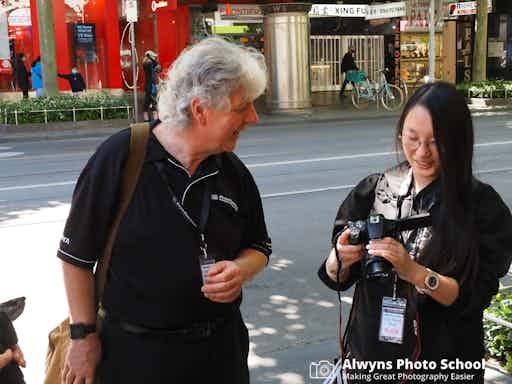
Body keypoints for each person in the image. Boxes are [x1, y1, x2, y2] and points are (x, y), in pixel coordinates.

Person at [59, 37, 272, 384]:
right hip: (135, 358)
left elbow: (259, 246)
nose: (254, 117)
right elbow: (76, 258)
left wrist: (240, 269)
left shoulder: (232, 171)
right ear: (200, 108)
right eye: (242, 106)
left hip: (219, 355)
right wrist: (83, 337)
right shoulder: (122, 157)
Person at [318, 82, 512, 383]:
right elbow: (337, 276)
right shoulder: (374, 191)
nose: (422, 152)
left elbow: (474, 295)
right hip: (371, 358)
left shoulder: (481, 207)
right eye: (412, 138)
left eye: (436, 142)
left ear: (459, 142)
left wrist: (416, 273)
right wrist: (338, 259)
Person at [142, 50, 161, 122]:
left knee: (148, 102)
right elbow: (154, 73)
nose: (155, 58)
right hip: (151, 86)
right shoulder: (149, 63)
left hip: (149, 86)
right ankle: (154, 120)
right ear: (149, 56)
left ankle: (147, 119)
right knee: (152, 102)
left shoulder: (147, 63)